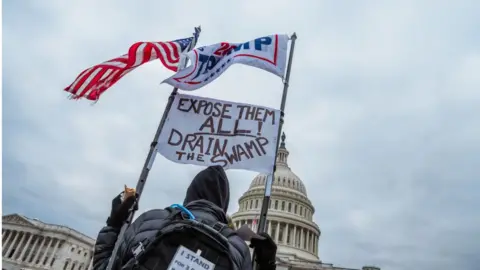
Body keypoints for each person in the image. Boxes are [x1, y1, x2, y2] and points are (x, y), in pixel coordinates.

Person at [92, 166, 277, 270]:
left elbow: (105, 268)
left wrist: (114, 224)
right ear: (224, 205)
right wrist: (265, 265)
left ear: (190, 195)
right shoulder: (238, 248)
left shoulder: (150, 221)